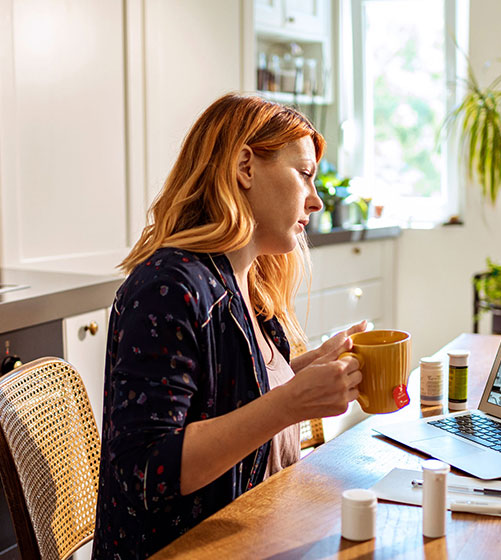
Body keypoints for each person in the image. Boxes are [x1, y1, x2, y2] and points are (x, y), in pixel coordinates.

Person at [92, 94, 366, 559]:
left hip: (253, 533)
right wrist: (290, 403)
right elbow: (145, 471)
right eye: (304, 175)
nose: (317, 201)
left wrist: (302, 371)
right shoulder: (167, 288)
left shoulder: (247, 280)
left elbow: (225, 397)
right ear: (245, 166)